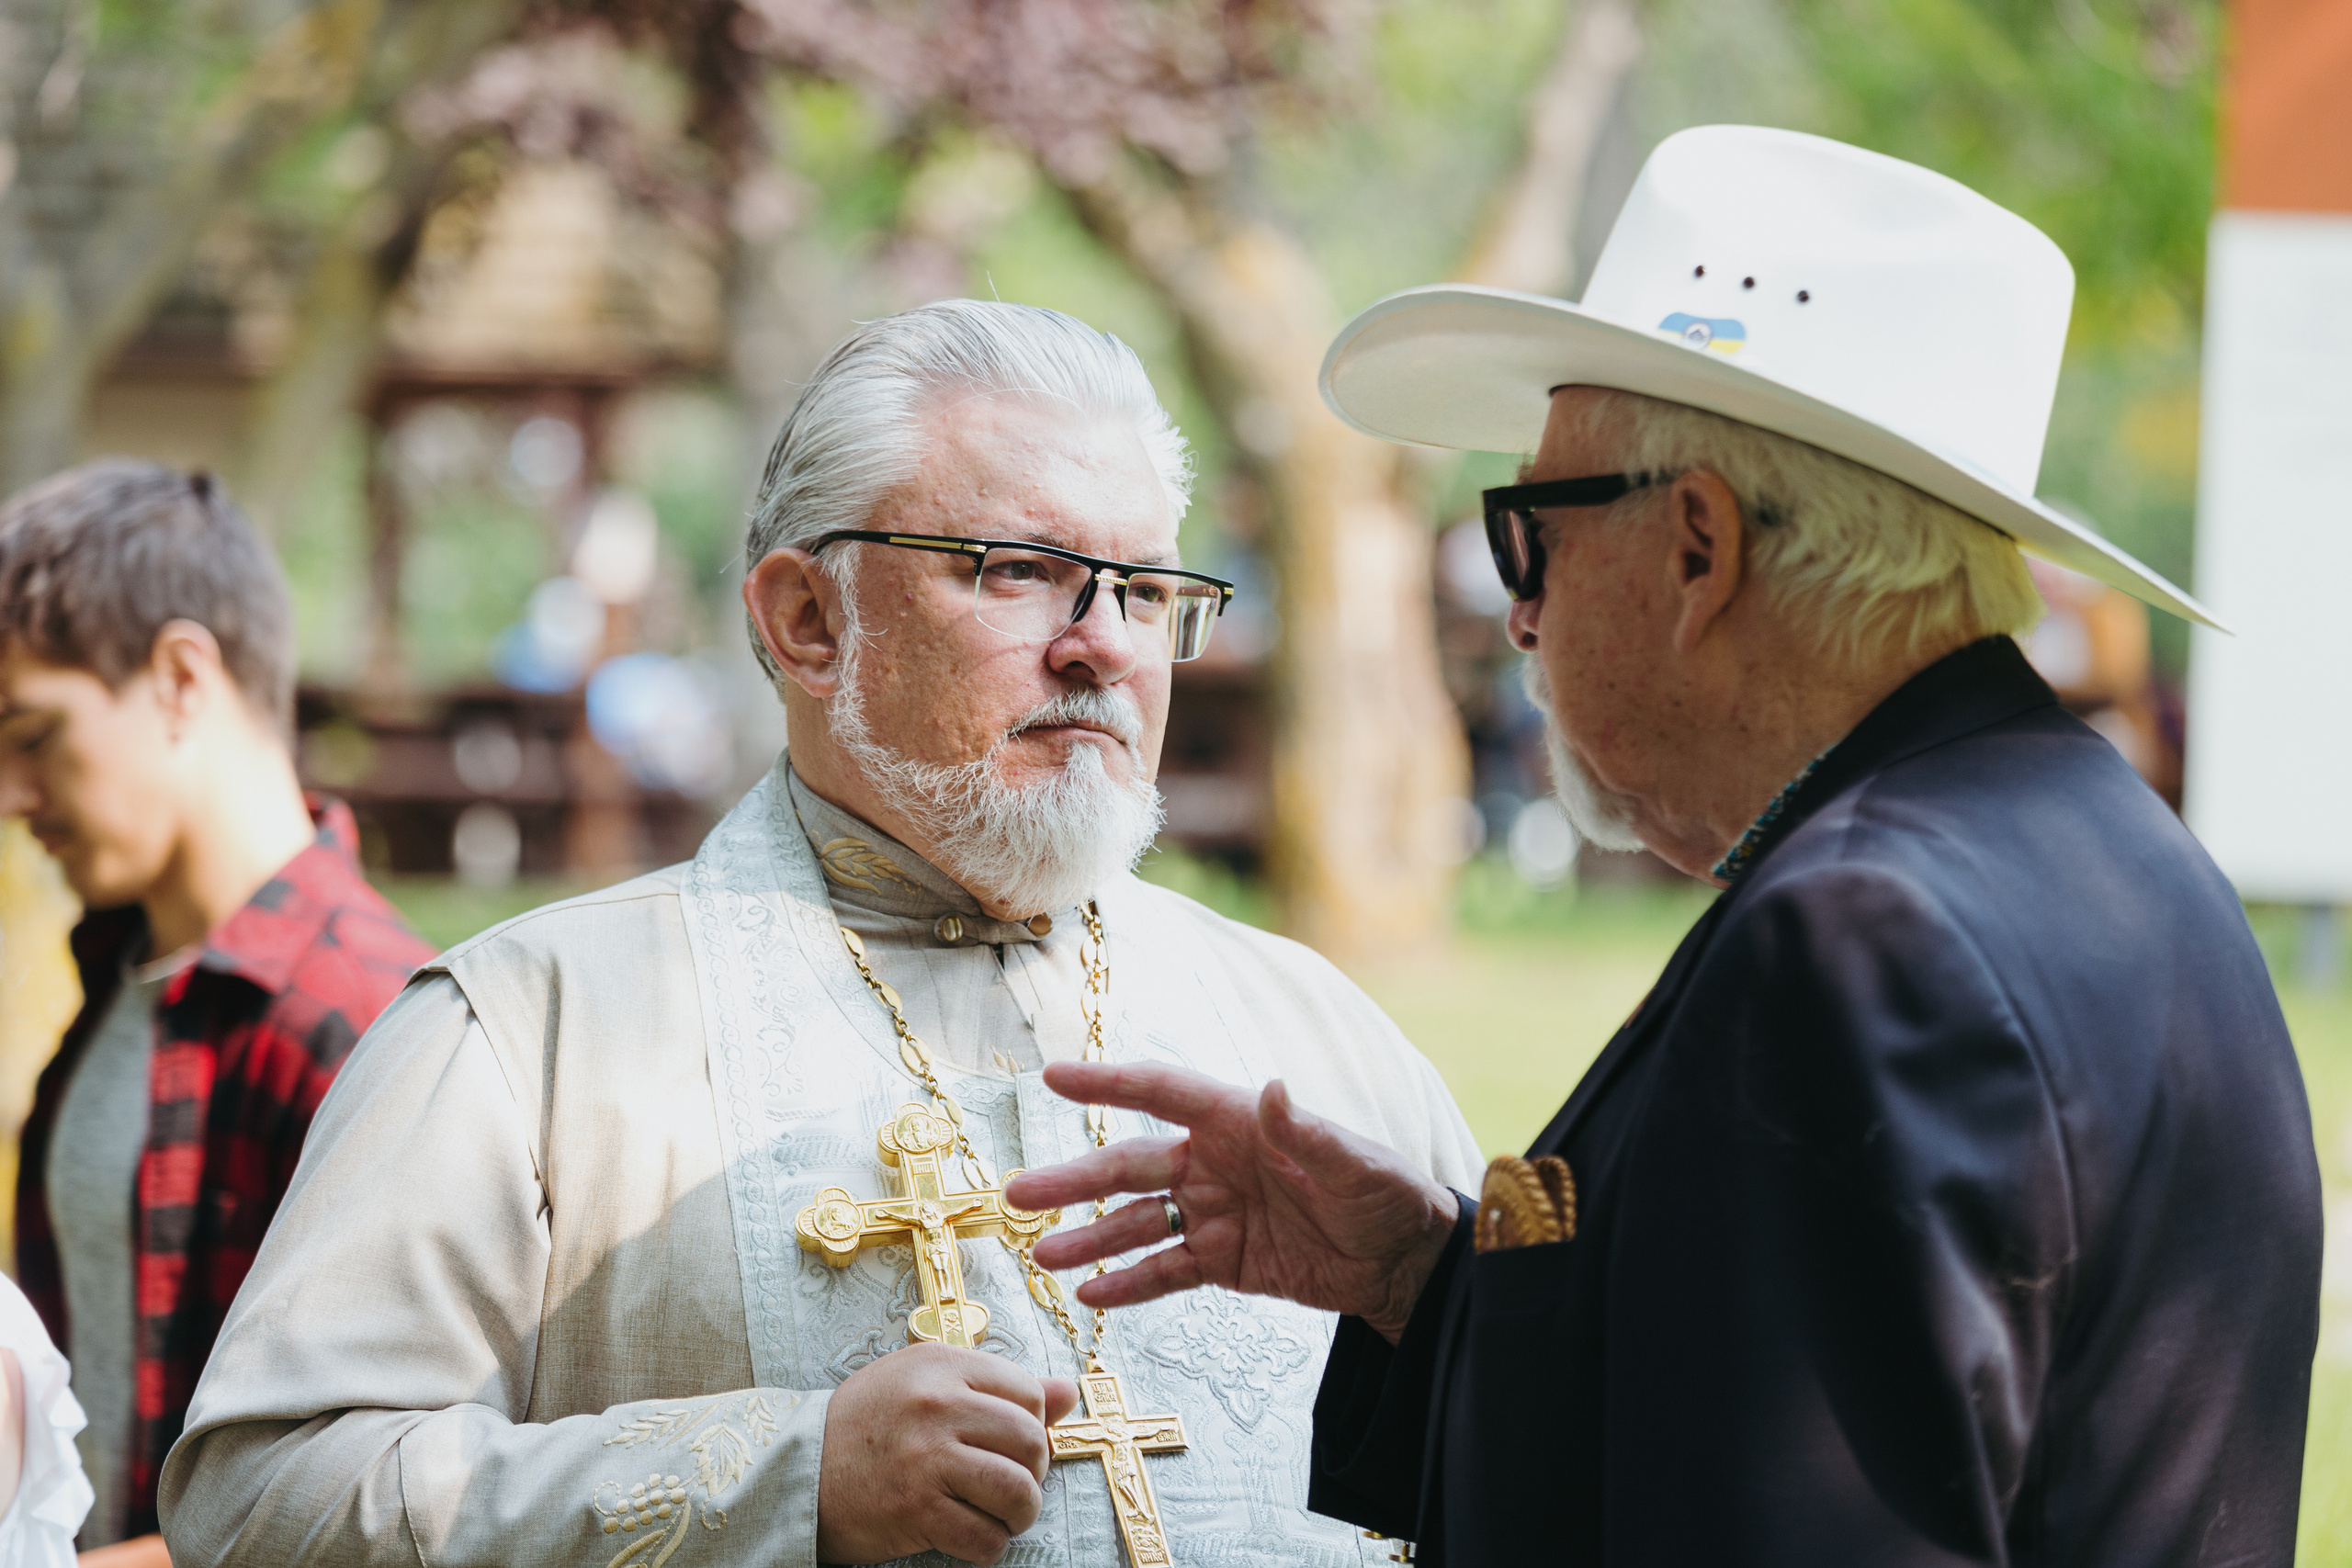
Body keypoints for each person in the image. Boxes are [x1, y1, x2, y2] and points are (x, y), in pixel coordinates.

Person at [1005, 126, 2323, 1565]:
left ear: (1698, 546)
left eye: (1531, 533)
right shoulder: (2109, 849)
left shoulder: (1861, 939)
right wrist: (1424, 1272)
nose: (1519, 612)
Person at [160, 301, 1484, 1567]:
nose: (1101, 645)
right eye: (1020, 572)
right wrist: (787, 1472)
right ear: (807, 620)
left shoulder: (1314, 1025)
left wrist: (1431, 1284)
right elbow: (264, 1496)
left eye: (1142, 589)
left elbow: (1598, 1448)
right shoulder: (526, 1030)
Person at [0, 462, 435, 1562]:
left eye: (32, 734)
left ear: (181, 677)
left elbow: (388, 1493)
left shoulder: (376, 1018)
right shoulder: (119, 976)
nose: (8, 792)